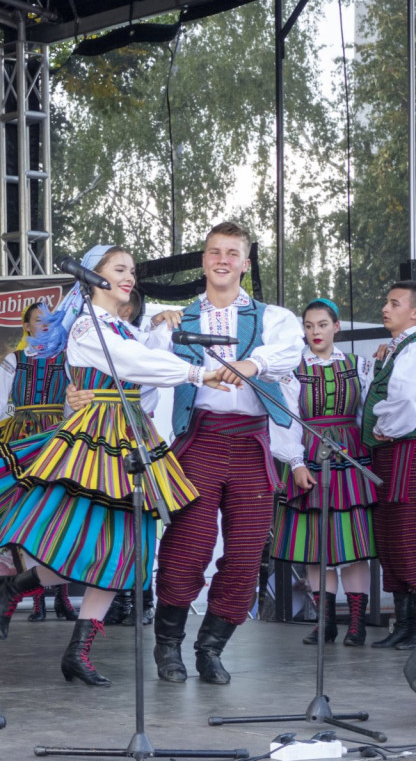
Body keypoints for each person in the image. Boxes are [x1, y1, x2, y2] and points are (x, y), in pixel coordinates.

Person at [0, 245, 228, 686]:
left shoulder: (123, 329)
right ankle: (16, 587)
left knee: (128, 547)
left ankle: (76, 649)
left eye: (131, 271)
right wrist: (197, 374)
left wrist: (162, 332)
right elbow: (132, 364)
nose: (129, 277)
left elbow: (143, 381)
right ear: (93, 277)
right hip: (96, 438)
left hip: (131, 433)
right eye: (119, 269)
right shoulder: (88, 326)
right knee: (81, 540)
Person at [146, 221, 304, 685]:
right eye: (215, 252)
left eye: (232, 253)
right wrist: (159, 330)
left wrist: (252, 362)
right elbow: (149, 374)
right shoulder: (176, 319)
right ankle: (168, 647)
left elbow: (291, 352)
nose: (222, 260)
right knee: (187, 548)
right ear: (203, 261)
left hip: (253, 443)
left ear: (245, 263)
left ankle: (211, 648)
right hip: (200, 439)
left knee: (245, 554)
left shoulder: (273, 318)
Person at [269, 298, 376, 646]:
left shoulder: (360, 366)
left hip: (351, 458)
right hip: (310, 454)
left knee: (354, 543)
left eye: (322, 325)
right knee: (317, 542)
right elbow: (285, 418)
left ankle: (357, 623)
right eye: (310, 325)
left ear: (337, 326)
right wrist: (296, 463)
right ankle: (326, 620)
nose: (315, 332)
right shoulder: (292, 368)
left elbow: (366, 414)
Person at [0, 303, 77, 622]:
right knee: (31, 518)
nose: (45, 326)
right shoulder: (14, 360)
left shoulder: (70, 360)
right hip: (24, 441)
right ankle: (38, 597)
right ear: (26, 327)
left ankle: (62, 597)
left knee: (60, 516)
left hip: (58, 439)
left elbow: (76, 402)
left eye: (50, 322)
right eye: (39, 321)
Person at [361, 280, 416, 650]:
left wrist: (383, 428)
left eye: (394, 303)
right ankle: (404, 624)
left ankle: (410, 627)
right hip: (390, 453)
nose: (385, 307)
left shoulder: (413, 349)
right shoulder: (397, 348)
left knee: (405, 536)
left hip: (403, 451)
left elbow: (408, 400)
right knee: (391, 536)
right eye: (385, 301)